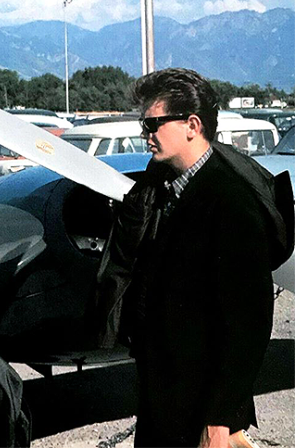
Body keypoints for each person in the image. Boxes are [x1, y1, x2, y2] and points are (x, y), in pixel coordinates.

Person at [108, 68, 288, 448]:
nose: (146, 135)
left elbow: (248, 326)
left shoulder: (231, 203)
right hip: (162, 397)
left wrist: (221, 420)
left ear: (192, 124)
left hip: (203, 411)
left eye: (154, 123)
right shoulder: (158, 193)